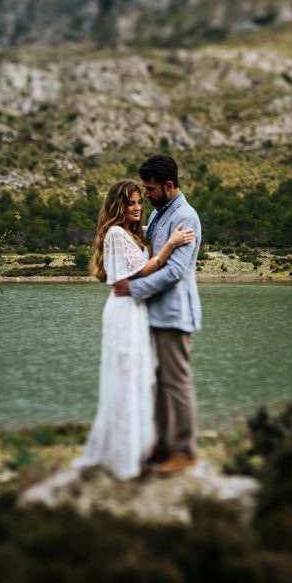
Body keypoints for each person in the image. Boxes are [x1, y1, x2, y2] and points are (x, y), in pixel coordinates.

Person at [73, 180, 195, 479]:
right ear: (119, 206)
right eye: (131, 203)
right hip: (124, 313)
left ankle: (134, 451)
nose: (138, 207)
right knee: (126, 384)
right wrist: (169, 246)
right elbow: (136, 273)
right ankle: (124, 460)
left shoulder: (132, 232)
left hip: (136, 312)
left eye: (140, 202)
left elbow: (139, 274)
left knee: (138, 383)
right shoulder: (115, 233)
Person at [113, 155, 202, 475]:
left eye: (150, 189)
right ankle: (163, 445)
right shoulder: (162, 213)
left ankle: (184, 450)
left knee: (176, 382)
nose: (146, 194)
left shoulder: (186, 218)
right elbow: (150, 237)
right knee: (158, 383)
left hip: (175, 314)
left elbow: (175, 271)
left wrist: (133, 289)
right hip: (155, 314)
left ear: (168, 186)